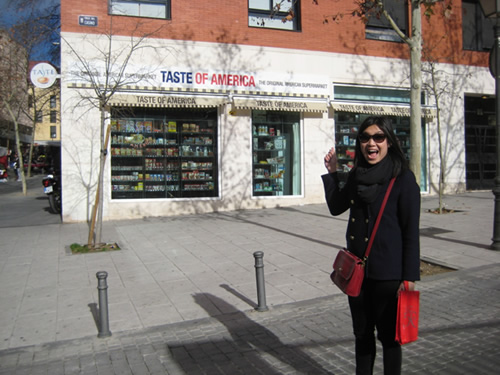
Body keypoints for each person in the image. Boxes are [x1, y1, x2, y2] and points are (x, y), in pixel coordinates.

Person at [322, 116, 420, 375]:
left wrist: (408, 277)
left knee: (389, 337)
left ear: (389, 141)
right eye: (365, 138)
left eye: (378, 137)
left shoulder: (403, 179)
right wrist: (333, 173)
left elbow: (411, 231)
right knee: (362, 335)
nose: (371, 143)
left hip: (388, 274)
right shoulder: (356, 175)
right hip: (358, 273)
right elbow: (336, 207)